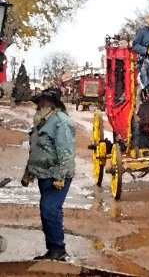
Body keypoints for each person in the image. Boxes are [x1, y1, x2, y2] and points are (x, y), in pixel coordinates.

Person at [21, 88, 75, 261]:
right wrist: (28, 172)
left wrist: (60, 176)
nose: (40, 105)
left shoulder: (61, 121)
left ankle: (58, 250)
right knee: (47, 210)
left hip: (57, 176)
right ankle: (53, 249)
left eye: (44, 101)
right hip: (43, 175)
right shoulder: (42, 122)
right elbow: (36, 150)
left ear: (52, 103)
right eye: (40, 102)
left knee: (49, 209)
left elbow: (65, 151)